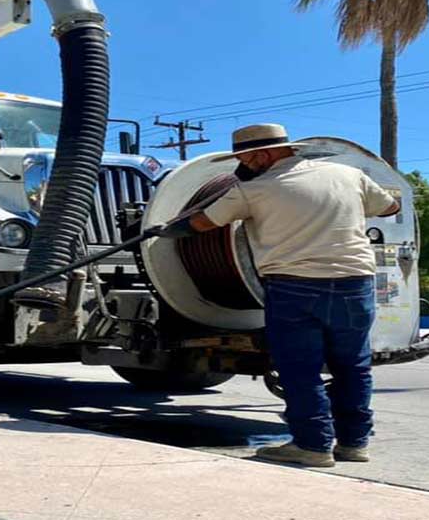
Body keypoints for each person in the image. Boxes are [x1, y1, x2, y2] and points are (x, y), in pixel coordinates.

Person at [150, 124, 399, 467]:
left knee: (301, 370)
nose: (243, 166)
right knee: (353, 367)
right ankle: (355, 444)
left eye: (245, 158)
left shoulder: (254, 190)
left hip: (294, 287)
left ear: (262, 155)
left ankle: (313, 446)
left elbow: (202, 224)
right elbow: (388, 207)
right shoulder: (347, 174)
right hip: (354, 284)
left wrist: (163, 229)